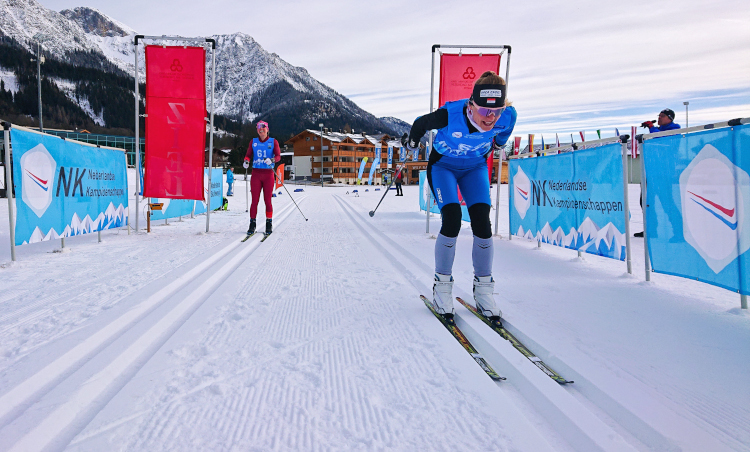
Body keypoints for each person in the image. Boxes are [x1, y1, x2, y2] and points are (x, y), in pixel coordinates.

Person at [403, 71, 516, 322]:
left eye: (497, 111)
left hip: (474, 168)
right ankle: (442, 287)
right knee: (452, 219)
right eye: (485, 111)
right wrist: (412, 141)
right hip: (443, 166)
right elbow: (421, 123)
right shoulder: (450, 114)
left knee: (482, 223)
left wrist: (497, 144)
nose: (491, 118)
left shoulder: (508, 116)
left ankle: (484, 290)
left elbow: (500, 140)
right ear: (471, 104)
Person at [634, 109, 682, 238]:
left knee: (667, 202)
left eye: (662, 116)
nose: (659, 118)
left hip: (663, 173)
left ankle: (679, 231)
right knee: (646, 202)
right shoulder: (659, 131)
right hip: (650, 172)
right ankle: (651, 230)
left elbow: (658, 137)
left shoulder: (674, 130)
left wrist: (651, 127)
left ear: (670, 118)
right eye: (659, 116)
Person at [244, 120, 280, 235]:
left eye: (263, 128)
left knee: (267, 200)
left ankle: (269, 223)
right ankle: (252, 223)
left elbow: (278, 156)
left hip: (268, 174)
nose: (261, 130)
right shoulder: (253, 142)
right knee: (254, 200)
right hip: (256, 174)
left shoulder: (273, 141)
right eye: (259, 128)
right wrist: (246, 161)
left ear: (267, 130)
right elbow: (248, 155)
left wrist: (273, 160)